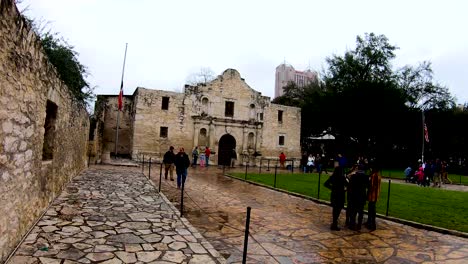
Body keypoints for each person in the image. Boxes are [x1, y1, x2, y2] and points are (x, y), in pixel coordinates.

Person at [324, 161, 347, 231]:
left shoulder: (333, 177)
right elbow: (348, 185)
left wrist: (332, 188)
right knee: (338, 209)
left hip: (334, 194)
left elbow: (326, 184)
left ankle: (334, 222)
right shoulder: (342, 178)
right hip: (340, 195)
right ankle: (334, 223)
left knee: (335, 209)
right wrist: (344, 190)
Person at [348, 164, 369, 231]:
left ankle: (352, 225)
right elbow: (368, 186)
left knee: (353, 211)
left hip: (354, 196)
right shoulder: (366, 177)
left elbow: (350, 186)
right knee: (361, 212)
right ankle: (359, 225)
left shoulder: (354, 176)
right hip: (362, 196)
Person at [366, 166, 381, 231]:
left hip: (372, 195)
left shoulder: (374, 176)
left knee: (372, 209)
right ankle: (369, 222)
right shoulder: (378, 175)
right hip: (375, 194)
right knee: (371, 208)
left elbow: (371, 186)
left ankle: (372, 224)